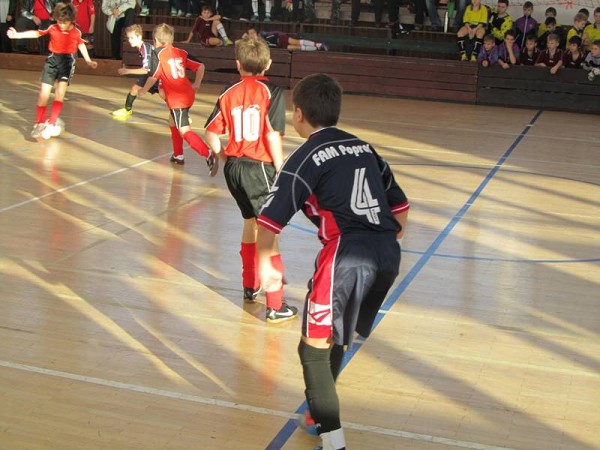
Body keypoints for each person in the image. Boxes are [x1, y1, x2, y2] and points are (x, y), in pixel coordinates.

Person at [256, 73, 409, 450]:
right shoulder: (364, 147)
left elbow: (270, 220)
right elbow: (401, 207)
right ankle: (316, 413)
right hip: (387, 253)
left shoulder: (304, 156)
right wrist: (379, 246)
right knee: (338, 335)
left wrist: (265, 266)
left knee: (311, 349)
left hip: (345, 255)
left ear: (298, 114)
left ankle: (334, 442)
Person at [203, 37, 296, 322]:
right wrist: (281, 169)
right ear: (268, 63)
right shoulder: (272, 92)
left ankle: (249, 285)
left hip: (234, 169)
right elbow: (272, 134)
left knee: (250, 223)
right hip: (259, 169)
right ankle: (275, 304)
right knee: (269, 234)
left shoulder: (228, 91)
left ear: (238, 64)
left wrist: (223, 158)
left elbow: (210, 132)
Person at [7, 2, 97, 139]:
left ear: (71, 20)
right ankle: (39, 123)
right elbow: (36, 33)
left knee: (60, 93)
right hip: (52, 62)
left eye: (64, 22)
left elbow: (81, 45)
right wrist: (17, 35)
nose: (61, 25)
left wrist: (89, 61)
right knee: (43, 94)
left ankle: (52, 122)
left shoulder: (76, 32)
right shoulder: (52, 27)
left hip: (67, 64)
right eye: (59, 21)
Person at [137, 23, 216, 171]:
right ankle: (178, 155)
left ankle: (208, 153)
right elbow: (201, 66)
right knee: (172, 121)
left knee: (184, 130)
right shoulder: (181, 52)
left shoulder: (157, 54)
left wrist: (143, 90)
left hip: (177, 100)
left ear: (156, 40)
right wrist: (196, 84)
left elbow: (153, 76)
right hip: (188, 94)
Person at [112, 24, 161, 118]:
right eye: (128, 38)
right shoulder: (142, 48)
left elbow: (145, 70)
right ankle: (127, 110)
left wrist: (127, 71)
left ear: (139, 37)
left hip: (156, 74)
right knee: (134, 89)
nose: (129, 40)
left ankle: (181, 113)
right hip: (150, 74)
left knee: (165, 95)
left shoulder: (145, 48)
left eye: (132, 37)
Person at [245, 27, 328, 51]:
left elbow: (272, 34)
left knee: (297, 42)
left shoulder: (261, 34)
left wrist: (282, 34)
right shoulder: (253, 42)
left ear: (256, 32)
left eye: (253, 32)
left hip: (280, 38)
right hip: (279, 46)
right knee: (297, 48)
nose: (252, 34)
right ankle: (317, 48)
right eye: (250, 33)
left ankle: (319, 44)